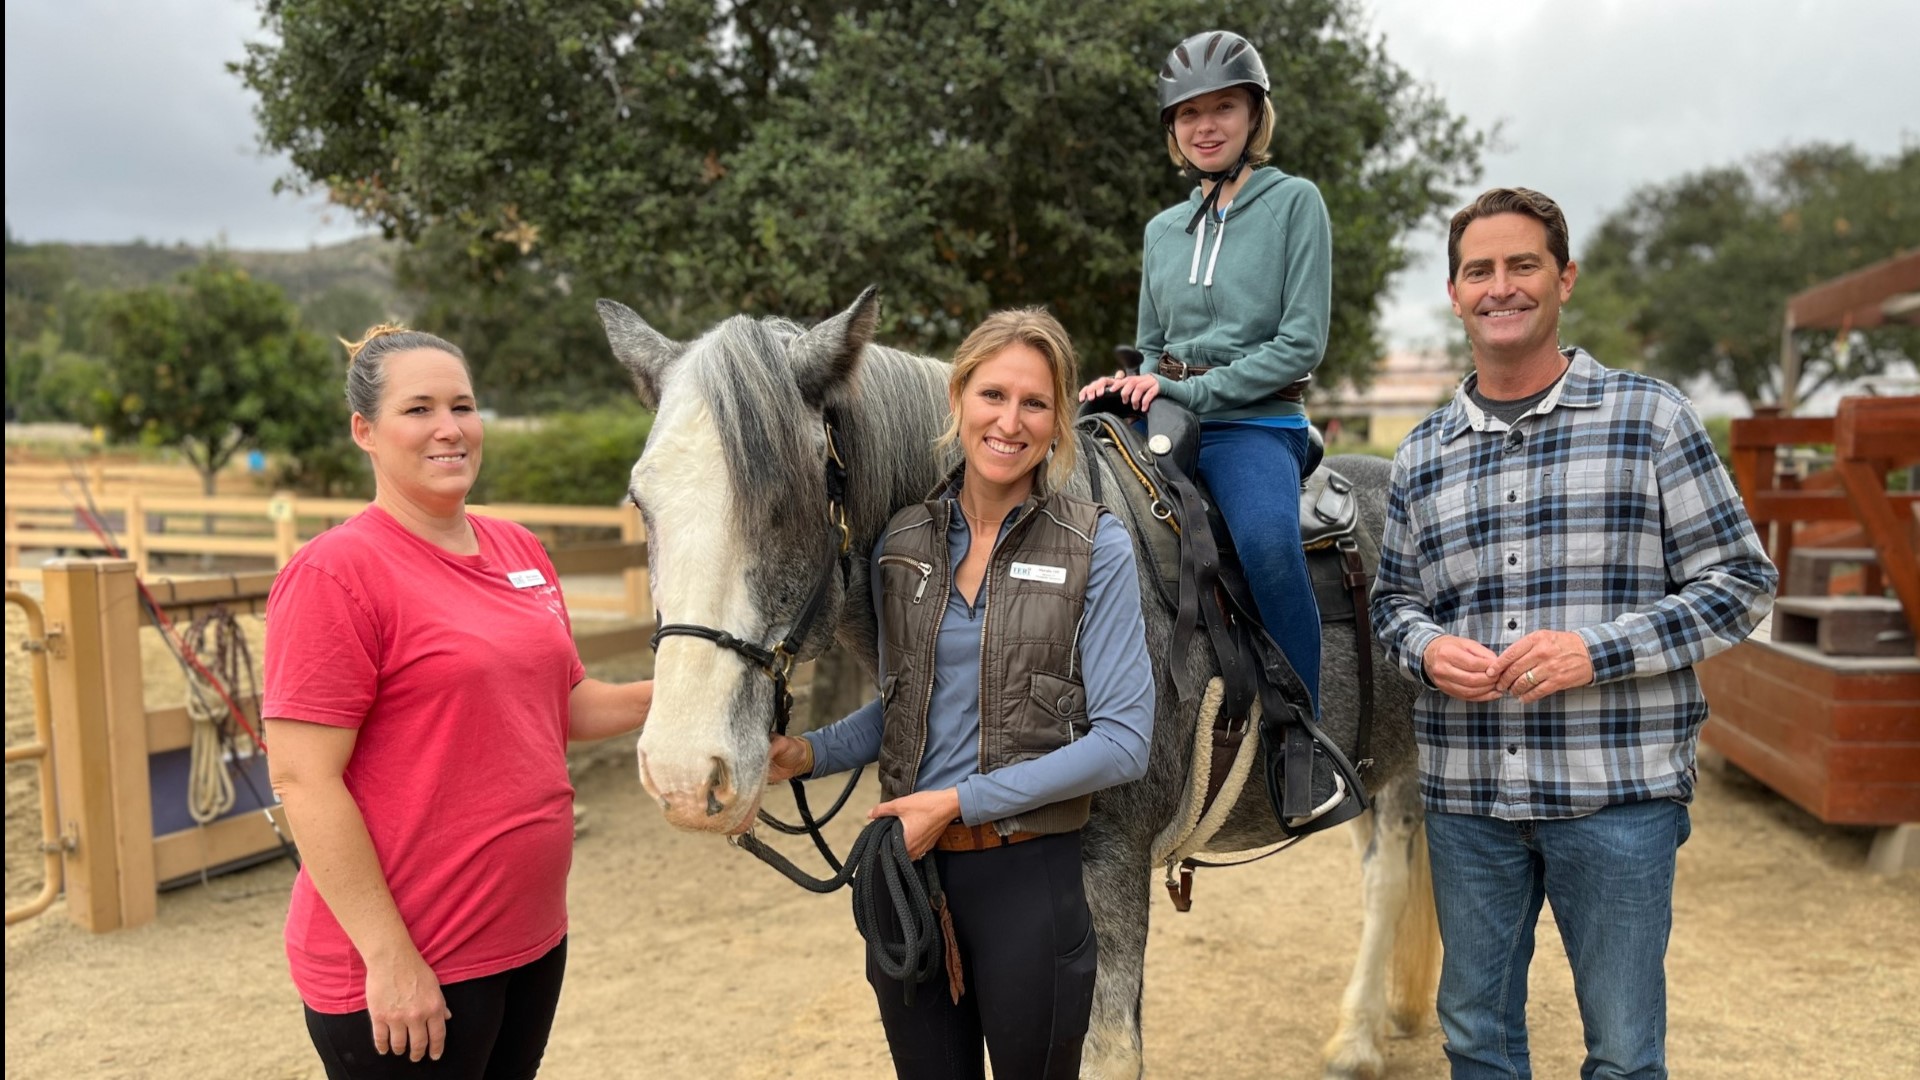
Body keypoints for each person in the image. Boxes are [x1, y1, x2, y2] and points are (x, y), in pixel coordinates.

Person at [1369, 188, 1778, 1080]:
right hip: (1469, 802)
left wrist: (1595, 651)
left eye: (1523, 265)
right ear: (1454, 292)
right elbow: (1391, 605)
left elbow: (1743, 583)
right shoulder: (1421, 453)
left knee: (1625, 1057)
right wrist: (1428, 649)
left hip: (1619, 799)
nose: (1501, 287)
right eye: (1480, 270)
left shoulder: (1651, 419)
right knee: (1477, 1041)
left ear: (1565, 278)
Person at [767, 308, 1155, 1079]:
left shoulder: (1096, 546)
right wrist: (806, 753)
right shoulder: (900, 545)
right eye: (993, 395)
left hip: (1029, 887)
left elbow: (1123, 742)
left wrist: (956, 804)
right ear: (958, 400)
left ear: (1058, 422)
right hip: (908, 883)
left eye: (1035, 403)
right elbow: (909, 707)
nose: (1009, 421)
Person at [263, 324, 653, 1078]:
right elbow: (304, 779)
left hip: (527, 936)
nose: (449, 428)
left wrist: (694, 694)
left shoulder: (518, 549)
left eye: (464, 406)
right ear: (364, 432)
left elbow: (562, 708)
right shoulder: (335, 574)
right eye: (418, 410)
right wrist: (390, 958)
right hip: (415, 959)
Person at [1079, 28, 1332, 713]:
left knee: (1266, 545)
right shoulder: (1162, 230)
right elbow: (1152, 344)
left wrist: (1186, 387)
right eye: (1189, 113)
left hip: (1255, 424)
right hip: (1168, 413)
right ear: (1173, 128)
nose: (1206, 125)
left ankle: (1304, 730)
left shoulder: (1295, 202)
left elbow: (1300, 344)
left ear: (1254, 114)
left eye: (1223, 107)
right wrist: (1127, 384)